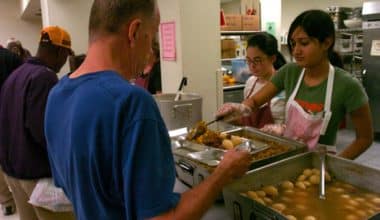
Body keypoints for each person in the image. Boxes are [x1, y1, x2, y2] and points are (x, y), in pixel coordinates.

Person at [44, 1, 251, 220]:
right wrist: (221, 175)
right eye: (151, 39)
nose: (150, 52)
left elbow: (71, 186)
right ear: (134, 32)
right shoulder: (131, 102)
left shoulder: (57, 94)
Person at [216, 9, 373, 159]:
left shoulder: (348, 85)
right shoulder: (290, 72)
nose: (296, 51)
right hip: (287, 155)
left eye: (304, 43)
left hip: (321, 163)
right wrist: (240, 108)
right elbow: (255, 101)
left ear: (326, 42)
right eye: (293, 43)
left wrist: (334, 166)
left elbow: (365, 138)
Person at [0, 26, 75, 220]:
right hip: (37, 178)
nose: (65, 62)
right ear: (60, 51)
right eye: (66, 55)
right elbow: (43, 131)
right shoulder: (45, 77)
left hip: (13, 173)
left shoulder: (16, 75)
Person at [239, 32, 286, 128]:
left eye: (257, 60)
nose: (252, 65)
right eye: (248, 60)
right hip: (251, 140)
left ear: (272, 58)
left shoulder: (284, 84)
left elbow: (296, 124)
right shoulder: (250, 82)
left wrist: (282, 128)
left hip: (277, 141)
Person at [0, 46, 23, 216]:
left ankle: (7, 201)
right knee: (12, 156)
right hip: (10, 114)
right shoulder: (10, 58)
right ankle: (20, 197)